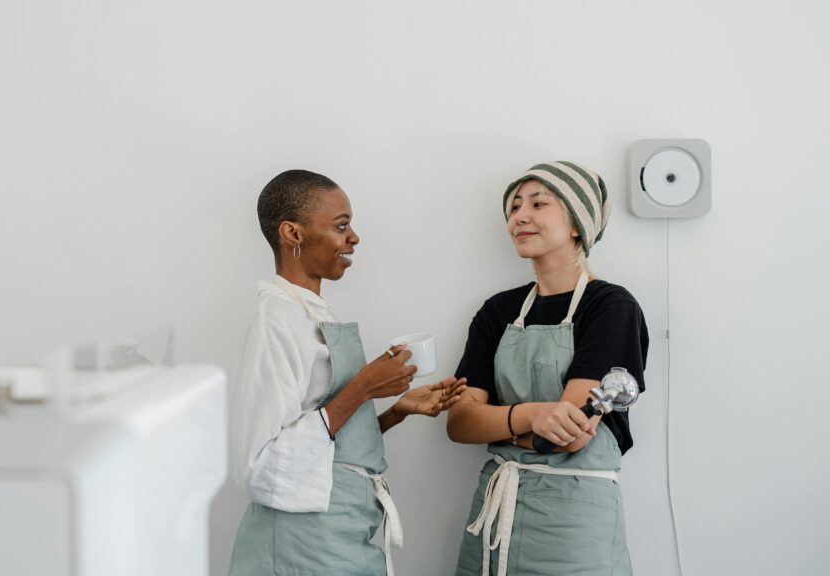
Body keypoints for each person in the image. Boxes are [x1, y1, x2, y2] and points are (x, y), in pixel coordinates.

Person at [228, 169, 467, 576]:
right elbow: (260, 465)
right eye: (341, 226)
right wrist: (362, 387)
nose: (354, 237)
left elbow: (326, 447)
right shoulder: (276, 319)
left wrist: (394, 410)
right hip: (301, 543)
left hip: (339, 530)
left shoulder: (310, 313)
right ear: (293, 233)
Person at [447, 161, 648, 576]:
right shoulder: (497, 310)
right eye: (514, 207)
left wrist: (501, 423)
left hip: (574, 519)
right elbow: (461, 423)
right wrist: (534, 416)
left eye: (539, 203)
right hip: (494, 512)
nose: (519, 216)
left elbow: (566, 438)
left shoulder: (611, 306)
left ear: (577, 224)